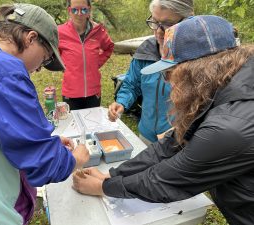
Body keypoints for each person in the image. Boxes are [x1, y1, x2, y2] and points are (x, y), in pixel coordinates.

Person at [73, 15, 254, 225]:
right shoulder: (221, 87)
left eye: (169, 73)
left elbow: (167, 180)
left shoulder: (230, 126)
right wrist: (112, 175)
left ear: (196, 70)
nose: (168, 81)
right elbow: (170, 145)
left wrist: (104, 188)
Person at [0, 3, 89, 225]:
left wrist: (46, 143)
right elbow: (43, 164)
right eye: (44, 59)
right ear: (30, 38)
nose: (37, 70)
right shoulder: (1, 70)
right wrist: (74, 159)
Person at [108, 0, 194, 146]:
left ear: (187, 21)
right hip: (146, 135)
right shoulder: (145, 50)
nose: (158, 32)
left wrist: (179, 131)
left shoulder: (196, 57)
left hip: (178, 140)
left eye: (167, 24)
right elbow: (131, 84)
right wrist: (121, 102)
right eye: (154, 22)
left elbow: (205, 105)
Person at [57, 0, 114, 110]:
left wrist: (97, 63)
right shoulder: (60, 32)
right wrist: (63, 65)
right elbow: (54, 53)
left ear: (89, 10)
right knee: (74, 125)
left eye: (83, 9)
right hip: (71, 92)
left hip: (93, 91)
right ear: (69, 11)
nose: (79, 14)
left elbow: (109, 47)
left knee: (93, 125)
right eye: (75, 10)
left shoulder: (98, 31)